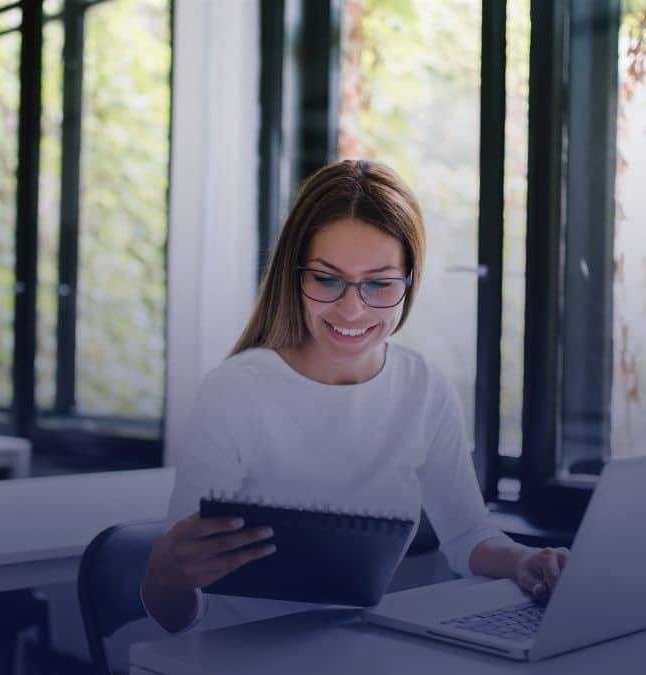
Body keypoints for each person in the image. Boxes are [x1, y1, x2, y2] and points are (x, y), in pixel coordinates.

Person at [141, 159, 569, 633]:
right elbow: (179, 606)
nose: (351, 308)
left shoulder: (424, 388)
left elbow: (467, 535)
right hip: (234, 654)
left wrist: (524, 561)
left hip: (359, 648)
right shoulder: (235, 392)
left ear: (410, 282)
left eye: (380, 284)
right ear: (295, 275)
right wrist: (166, 580)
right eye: (326, 279)